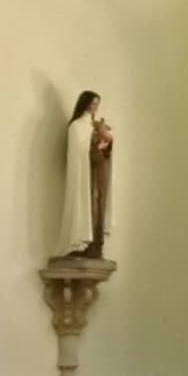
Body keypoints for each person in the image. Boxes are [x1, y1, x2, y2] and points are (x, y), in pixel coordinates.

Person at [59, 91, 114, 258]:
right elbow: (78, 152)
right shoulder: (76, 126)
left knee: (98, 205)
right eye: (92, 103)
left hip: (97, 173)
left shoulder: (96, 125)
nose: (94, 107)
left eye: (97, 103)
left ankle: (96, 244)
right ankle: (81, 242)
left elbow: (106, 150)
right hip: (84, 176)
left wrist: (107, 143)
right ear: (85, 103)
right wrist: (95, 144)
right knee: (85, 204)